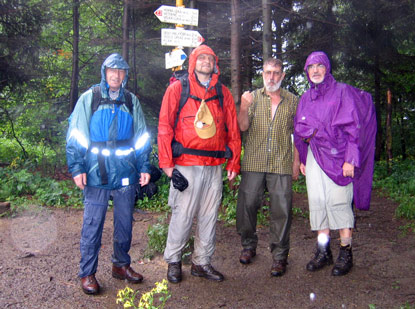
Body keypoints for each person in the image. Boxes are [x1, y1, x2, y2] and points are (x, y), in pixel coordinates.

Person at [66, 53, 151, 294]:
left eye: (121, 71)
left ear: (125, 75)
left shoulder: (131, 101)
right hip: (95, 173)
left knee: (125, 223)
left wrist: (144, 167)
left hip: (126, 173)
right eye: (111, 70)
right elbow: (76, 135)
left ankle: (121, 265)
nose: (116, 75)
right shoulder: (89, 98)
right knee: (92, 225)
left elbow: (142, 137)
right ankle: (88, 273)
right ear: (104, 73)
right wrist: (77, 167)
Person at [158, 44, 241, 283]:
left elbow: (233, 130)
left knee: (209, 216)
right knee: (182, 215)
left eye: (210, 58)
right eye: (201, 58)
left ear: (215, 64)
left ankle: (201, 262)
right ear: (193, 62)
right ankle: (173, 261)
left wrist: (233, 163)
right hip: (186, 164)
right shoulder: (177, 89)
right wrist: (167, 165)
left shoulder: (223, 93)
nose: (206, 61)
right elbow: (164, 127)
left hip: (214, 166)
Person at [294, 51, 376, 276]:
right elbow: (299, 130)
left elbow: (353, 129)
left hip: (339, 158)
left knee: (339, 204)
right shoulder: (305, 98)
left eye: (319, 66)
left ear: (327, 68)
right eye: (311, 67)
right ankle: (323, 251)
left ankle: (345, 251)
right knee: (318, 204)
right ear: (307, 72)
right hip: (314, 157)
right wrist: (303, 157)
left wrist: (350, 159)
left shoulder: (342, 92)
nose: (315, 71)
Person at [236, 58, 299, 277]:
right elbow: (242, 126)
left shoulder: (293, 101)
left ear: (282, 76)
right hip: (254, 161)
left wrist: (296, 162)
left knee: (282, 210)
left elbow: (297, 135)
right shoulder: (252, 98)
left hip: (281, 162)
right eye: (268, 72)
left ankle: (280, 256)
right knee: (247, 205)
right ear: (262, 74)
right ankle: (248, 245)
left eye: (276, 73)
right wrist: (243, 106)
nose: (271, 77)